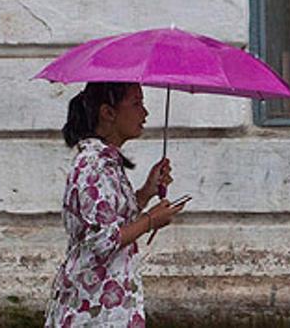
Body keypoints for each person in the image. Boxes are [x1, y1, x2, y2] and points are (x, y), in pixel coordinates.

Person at [45, 82, 188, 328]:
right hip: (93, 307)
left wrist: (146, 192)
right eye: (137, 103)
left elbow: (113, 221)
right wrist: (151, 220)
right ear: (108, 113)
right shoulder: (93, 166)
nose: (145, 113)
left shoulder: (106, 162)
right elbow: (104, 240)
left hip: (105, 302)